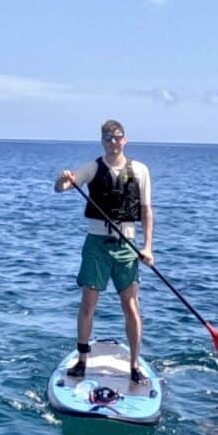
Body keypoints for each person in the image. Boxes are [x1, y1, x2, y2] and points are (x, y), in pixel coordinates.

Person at [53, 118, 152, 386]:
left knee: (131, 306)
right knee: (88, 304)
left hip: (127, 246)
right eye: (108, 138)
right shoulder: (93, 168)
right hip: (96, 244)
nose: (113, 142)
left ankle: (134, 364)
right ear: (102, 141)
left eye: (117, 137)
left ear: (125, 139)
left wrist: (147, 247)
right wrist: (63, 180)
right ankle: (82, 360)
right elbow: (61, 188)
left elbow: (146, 211)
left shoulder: (140, 170)